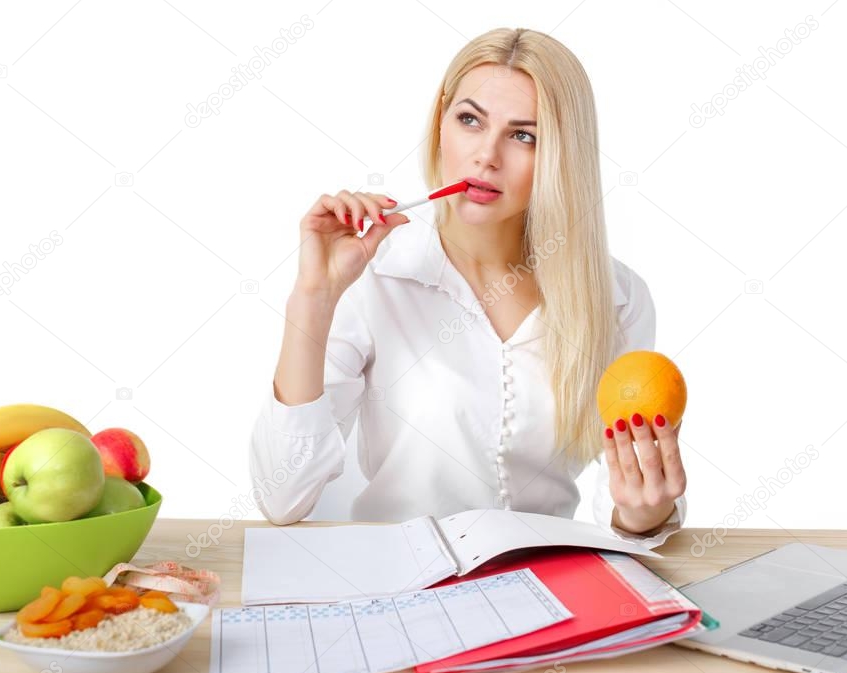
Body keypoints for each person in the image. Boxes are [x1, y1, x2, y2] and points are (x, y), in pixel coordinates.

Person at [249, 27, 687, 549]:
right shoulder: (372, 277)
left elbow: (627, 504)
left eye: (524, 135)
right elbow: (282, 497)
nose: (486, 155)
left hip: (551, 586)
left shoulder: (618, 297)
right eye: (470, 121)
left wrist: (645, 512)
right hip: (402, 583)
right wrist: (312, 301)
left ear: (561, 158)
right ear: (440, 124)